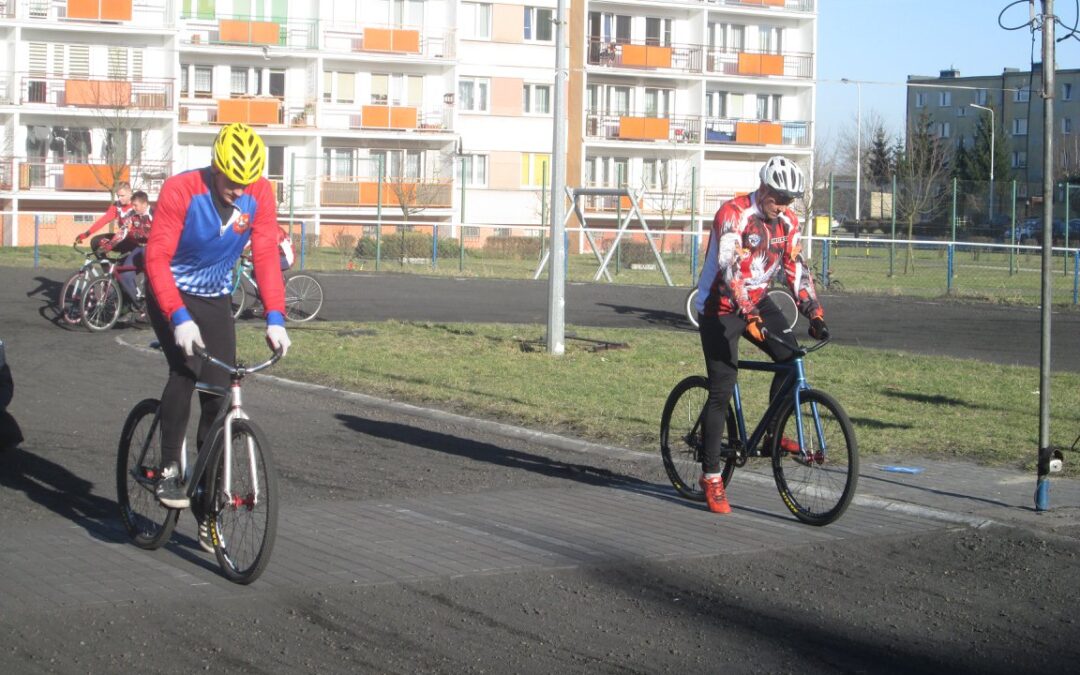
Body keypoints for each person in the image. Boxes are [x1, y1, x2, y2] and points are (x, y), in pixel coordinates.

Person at [142, 123, 290, 534]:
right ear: (215, 167)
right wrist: (177, 316)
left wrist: (275, 317)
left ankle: (207, 495)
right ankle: (170, 466)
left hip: (214, 296)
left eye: (247, 181)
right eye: (232, 180)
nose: (240, 189)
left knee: (219, 393)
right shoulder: (181, 190)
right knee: (186, 369)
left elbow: (264, 255)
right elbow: (155, 259)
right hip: (169, 289)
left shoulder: (258, 193)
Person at [693, 155, 828, 515]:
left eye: (789, 200)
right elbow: (730, 268)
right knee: (722, 387)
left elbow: (795, 268)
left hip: (758, 299)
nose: (783, 206)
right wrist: (746, 313)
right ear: (764, 187)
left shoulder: (788, 222)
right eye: (779, 198)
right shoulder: (733, 213)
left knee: (790, 359)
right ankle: (711, 476)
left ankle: (772, 434)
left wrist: (813, 310)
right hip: (720, 307)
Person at [98, 190, 153, 311]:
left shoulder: (156, 214)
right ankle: (137, 304)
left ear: (144, 204)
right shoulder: (132, 215)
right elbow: (122, 232)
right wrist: (109, 246)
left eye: (135, 205)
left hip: (155, 249)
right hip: (140, 248)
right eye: (132, 205)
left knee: (151, 275)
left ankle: (151, 299)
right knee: (125, 275)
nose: (133, 208)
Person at [75, 182, 133, 255]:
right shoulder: (117, 205)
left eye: (122, 196)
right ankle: (106, 266)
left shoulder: (136, 205)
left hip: (133, 242)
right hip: (120, 239)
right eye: (118, 196)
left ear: (130, 193)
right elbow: (103, 220)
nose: (119, 199)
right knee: (95, 241)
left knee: (125, 265)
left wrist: (111, 245)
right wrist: (87, 234)